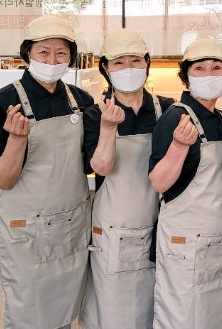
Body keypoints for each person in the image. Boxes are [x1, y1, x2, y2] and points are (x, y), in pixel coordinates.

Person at [0, 15, 95, 329]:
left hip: (71, 225)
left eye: (61, 53)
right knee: (28, 314)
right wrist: (17, 139)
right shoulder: (1, 104)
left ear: (70, 56)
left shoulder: (81, 100)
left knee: (66, 311)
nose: (52, 60)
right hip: (27, 230)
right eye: (43, 52)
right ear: (27, 53)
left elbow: (89, 163)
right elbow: (2, 178)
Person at [79, 28, 174, 329]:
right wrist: (108, 129)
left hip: (159, 228)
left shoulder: (167, 109)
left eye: (135, 61)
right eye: (119, 63)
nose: (128, 68)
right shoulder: (94, 114)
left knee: (158, 311)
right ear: (106, 69)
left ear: (147, 64)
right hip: (115, 231)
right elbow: (101, 167)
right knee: (115, 313)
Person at [148, 37, 222, 329]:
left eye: (216, 68)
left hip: (219, 240)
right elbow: (159, 182)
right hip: (185, 244)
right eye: (199, 69)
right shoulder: (175, 118)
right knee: (183, 318)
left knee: (216, 317)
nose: (209, 75)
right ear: (186, 76)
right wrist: (178, 146)